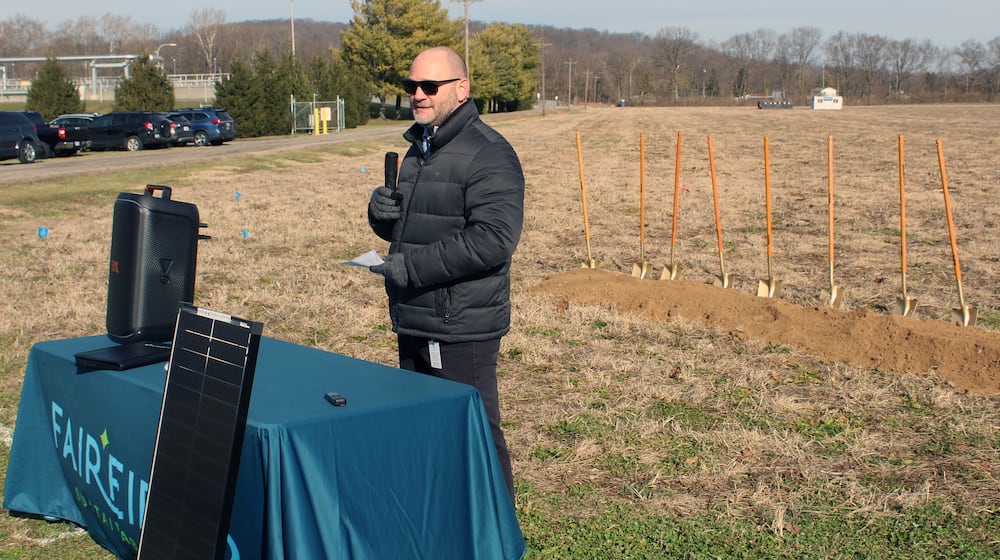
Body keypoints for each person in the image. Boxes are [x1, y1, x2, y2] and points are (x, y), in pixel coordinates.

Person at [367, 46, 524, 504]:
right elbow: (416, 226)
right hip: (415, 316)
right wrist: (381, 215)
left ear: (461, 89)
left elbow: (494, 239)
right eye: (412, 86)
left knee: (474, 433)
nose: (418, 94)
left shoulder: (488, 154)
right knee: (426, 429)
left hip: (459, 326)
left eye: (429, 86)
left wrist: (410, 269)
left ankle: (497, 535)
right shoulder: (419, 149)